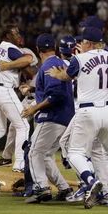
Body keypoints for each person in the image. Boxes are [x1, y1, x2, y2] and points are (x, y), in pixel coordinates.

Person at [47, 27, 108, 209]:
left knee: (74, 152)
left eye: (82, 42)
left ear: (88, 43)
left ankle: (90, 180)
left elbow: (67, 75)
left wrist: (58, 75)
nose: (80, 45)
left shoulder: (79, 58)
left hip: (88, 111)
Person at [21, 34, 74, 204]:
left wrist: (33, 108)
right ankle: (64, 188)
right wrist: (32, 89)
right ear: (55, 47)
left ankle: (41, 188)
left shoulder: (49, 65)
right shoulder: (58, 63)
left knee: (34, 151)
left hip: (53, 117)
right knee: (45, 155)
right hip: (65, 117)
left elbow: (55, 95)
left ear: (38, 50)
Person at [0, 25, 33, 172]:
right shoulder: (10, 48)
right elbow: (28, 63)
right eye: (14, 33)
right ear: (7, 36)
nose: (18, 35)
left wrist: (14, 65)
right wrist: (23, 65)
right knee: (23, 125)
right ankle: (19, 163)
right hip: (4, 90)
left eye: (18, 32)